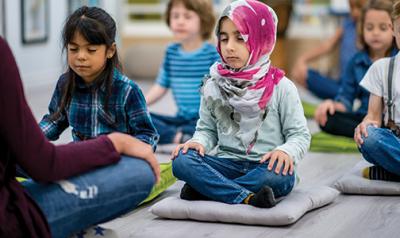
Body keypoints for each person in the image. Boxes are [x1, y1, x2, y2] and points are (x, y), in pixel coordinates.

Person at [0, 37, 160, 238]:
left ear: (110, 51)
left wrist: (135, 151)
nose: (80, 57)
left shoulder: (127, 89)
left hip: (111, 161)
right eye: (73, 49)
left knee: (139, 166)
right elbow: (54, 121)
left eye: (91, 50)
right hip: (76, 162)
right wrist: (31, 142)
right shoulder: (65, 83)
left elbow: (147, 135)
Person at [171, 0, 310, 208]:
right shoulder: (213, 83)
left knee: (280, 178)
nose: (229, 47)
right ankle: (247, 197)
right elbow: (207, 130)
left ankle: (209, 189)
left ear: (261, 39)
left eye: (240, 38)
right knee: (181, 160)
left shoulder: (282, 87)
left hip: (266, 167)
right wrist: (198, 142)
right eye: (224, 39)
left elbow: (299, 135)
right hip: (225, 163)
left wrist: (286, 152)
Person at [314, 0, 397, 138]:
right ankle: (366, 133)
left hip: (392, 120)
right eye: (369, 28)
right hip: (364, 118)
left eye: (383, 28)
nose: (375, 33)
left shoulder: (397, 60)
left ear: (394, 29)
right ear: (361, 29)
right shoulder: (356, 61)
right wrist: (331, 104)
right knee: (327, 118)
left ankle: (372, 134)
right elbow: (346, 98)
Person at [145, 0, 220, 145]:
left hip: (205, 119)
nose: (180, 21)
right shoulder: (171, 52)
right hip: (179, 118)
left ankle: (180, 135)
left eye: (187, 16)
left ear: (203, 20)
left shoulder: (212, 53)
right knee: (138, 118)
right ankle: (178, 136)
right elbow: (160, 86)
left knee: (217, 129)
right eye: (175, 16)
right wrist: (139, 105)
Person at [354, 0, 400, 182]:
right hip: (395, 142)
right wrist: (365, 125)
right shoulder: (381, 68)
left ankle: (391, 172)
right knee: (369, 138)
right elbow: (373, 117)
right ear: (393, 29)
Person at [291, 0, 367, 99]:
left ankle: (350, 101)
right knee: (301, 73)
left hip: (361, 86)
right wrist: (302, 59)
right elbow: (327, 45)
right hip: (342, 84)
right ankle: (344, 101)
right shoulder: (347, 24)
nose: (354, 12)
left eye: (359, 8)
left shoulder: (369, 29)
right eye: (351, 8)